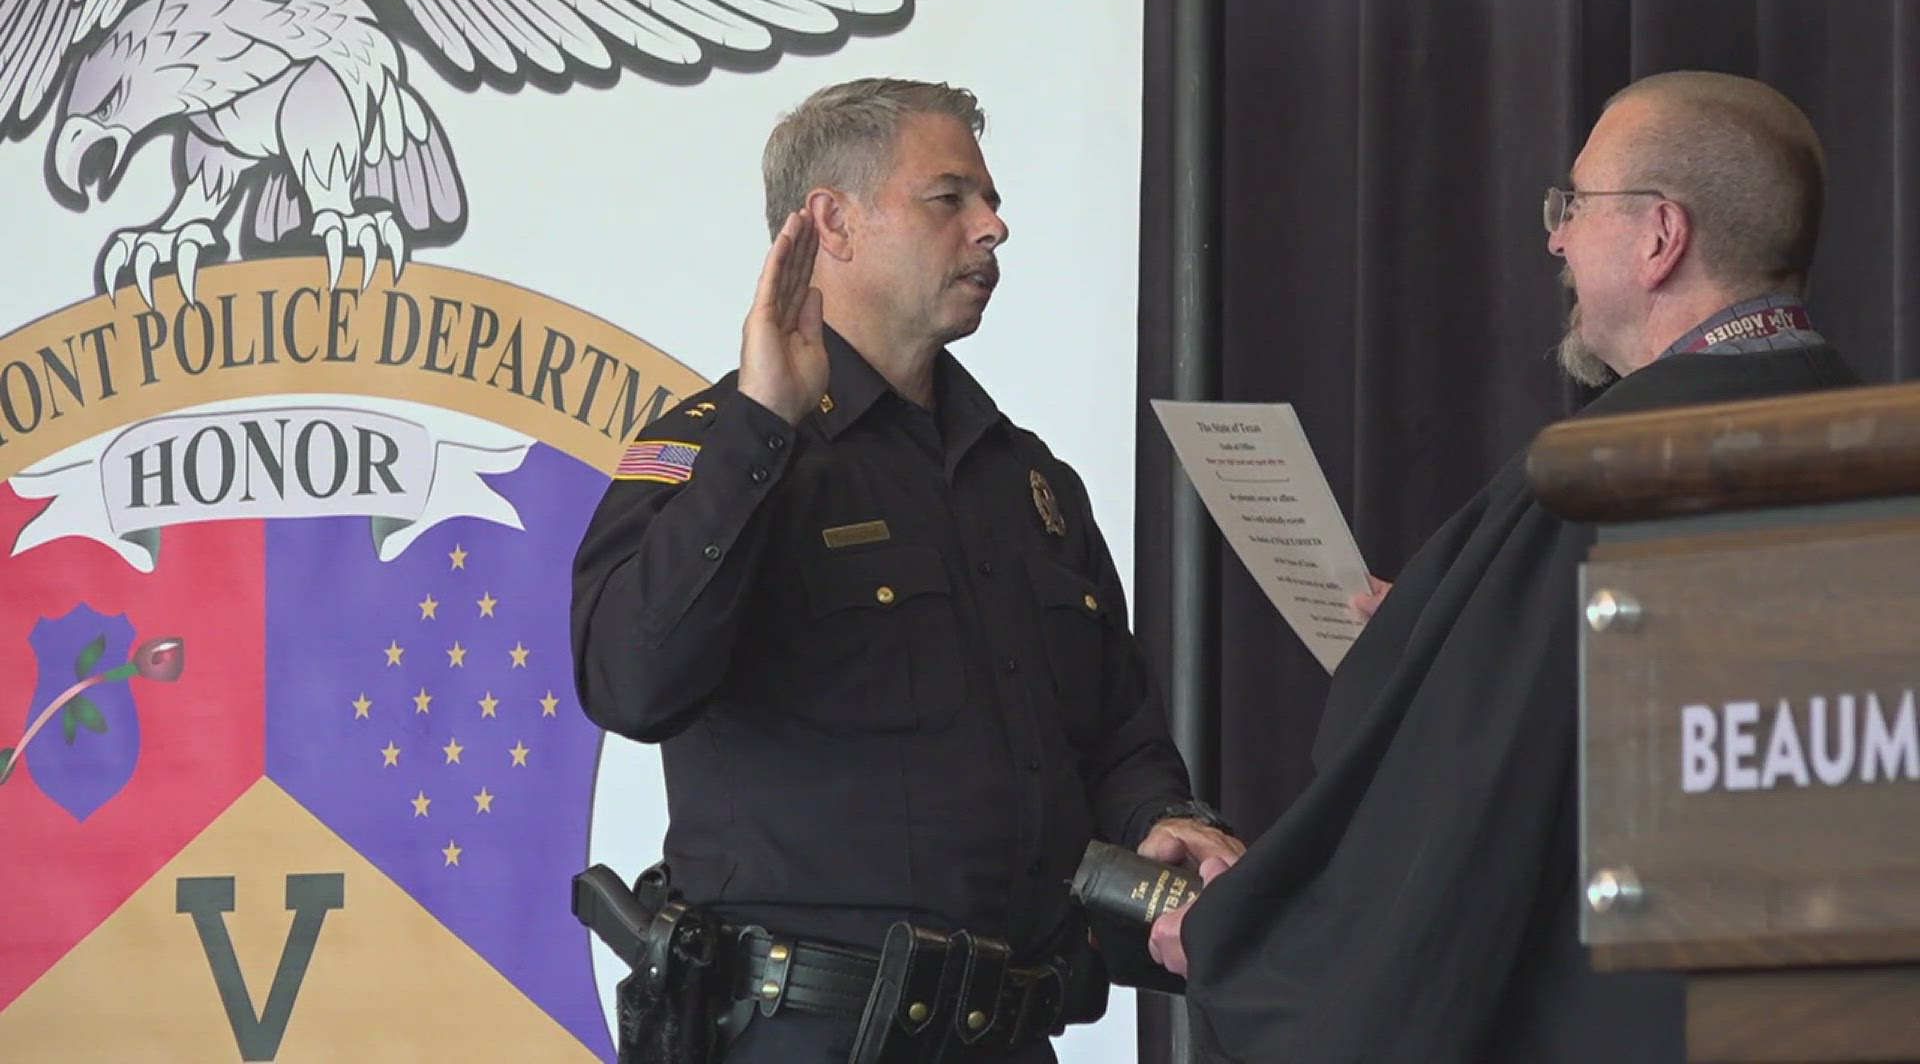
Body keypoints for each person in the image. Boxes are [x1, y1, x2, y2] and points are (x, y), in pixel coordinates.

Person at [1148, 70, 1858, 1062]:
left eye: (1577, 205)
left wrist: (1241, 940)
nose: (1556, 238)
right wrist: (1457, 631)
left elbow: (1456, 841)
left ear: (1661, 238)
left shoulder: (1594, 489)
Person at [571, 78, 1240, 1062]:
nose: (993, 226)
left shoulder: (1027, 483)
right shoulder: (718, 451)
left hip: (1004, 1032)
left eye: (990, 199)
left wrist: (1163, 820)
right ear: (831, 223)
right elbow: (630, 683)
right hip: (800, 1034)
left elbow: (1115, 735)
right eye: (950, 198)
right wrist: (763, 428)